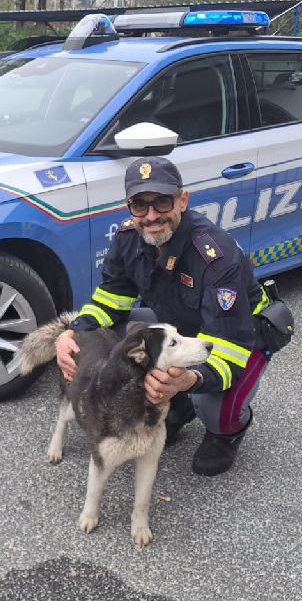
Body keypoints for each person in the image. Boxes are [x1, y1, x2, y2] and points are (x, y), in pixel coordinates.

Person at [56, 156, 271, 476]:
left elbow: (228, 345)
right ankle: (180, 404)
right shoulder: (129, 239)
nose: (151, 215)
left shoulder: (214, 254)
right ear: (129, 207)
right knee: (119, 331)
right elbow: (110, 303)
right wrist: (71, 333)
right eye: (140, 205)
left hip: (241, 334)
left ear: (182, 200)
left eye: (162, 202)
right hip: (185, 329)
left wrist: (190, 379)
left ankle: (226, 433)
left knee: (214, 407)